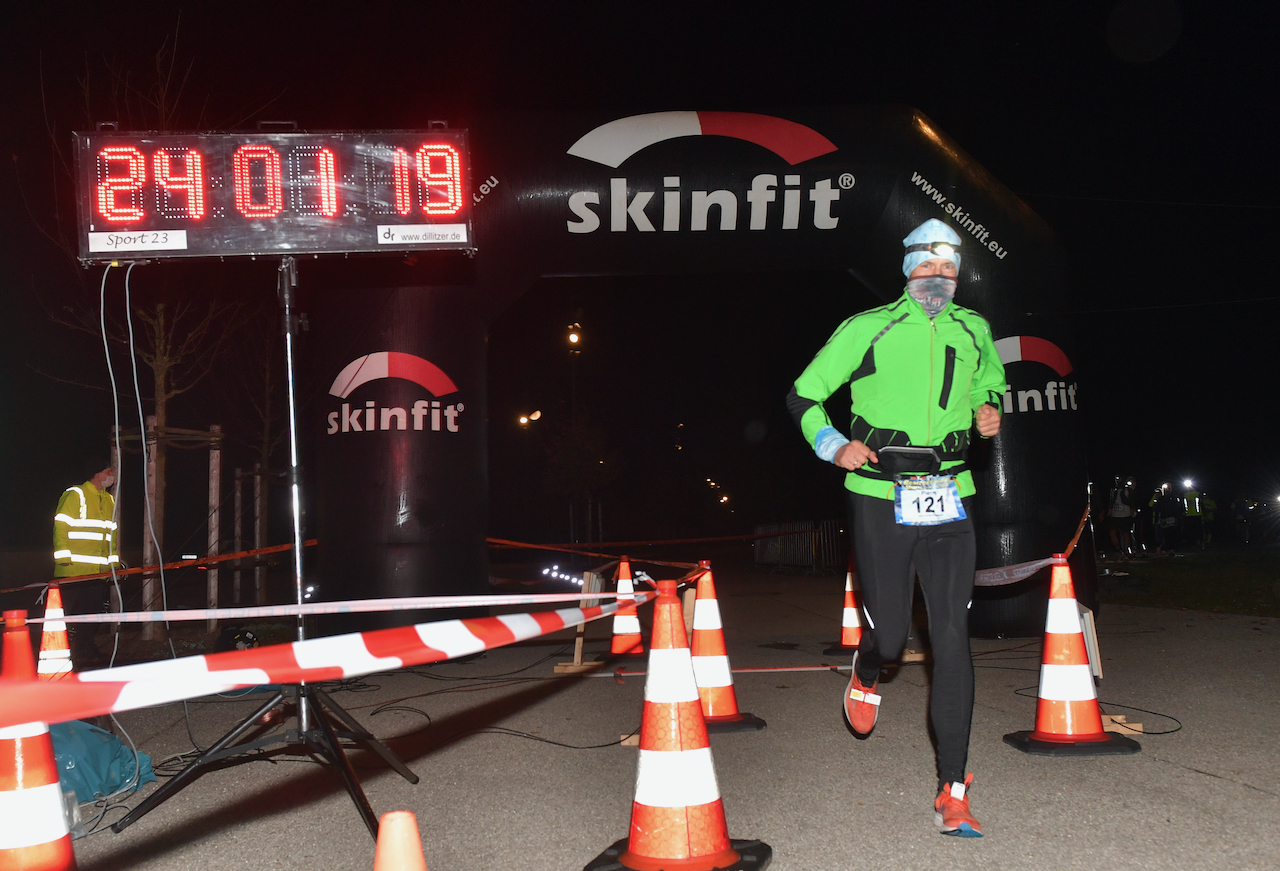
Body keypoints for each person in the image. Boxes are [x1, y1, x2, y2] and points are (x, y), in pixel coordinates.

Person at [787, 217, 1006, 838]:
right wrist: (832, 444)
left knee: (952, 636)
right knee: (889, 642)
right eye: (927, 266)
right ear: (907, 267)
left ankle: (954, 788)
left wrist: (989, 410)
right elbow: (804, 395)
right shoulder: (866, 327)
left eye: (948, 268)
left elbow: (991, 381)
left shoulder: (975, 329)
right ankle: (867, 666)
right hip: (881, 493)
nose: (938, 278)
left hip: (950, 494)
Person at [54, 461, 119, 658]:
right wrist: (63, 557)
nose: (112, 475)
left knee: (92, 613)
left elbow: (111, 536)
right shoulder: (76, 494)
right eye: (109, 471)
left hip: (97, 571)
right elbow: (61, 526)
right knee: (62, 613)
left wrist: (113, 563)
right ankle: (56, 650)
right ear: (97, 473)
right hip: (73, 569)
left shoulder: (109, 500)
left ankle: (84, 649)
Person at [1105, 476, 1137, 559]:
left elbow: (1132, 502)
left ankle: (1127, 550)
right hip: (1115, 515)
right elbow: (1111, 501)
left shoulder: (1128, 490)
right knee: (1113, 533)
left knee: (1125, 533)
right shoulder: (1114, 490)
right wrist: (1109, 513)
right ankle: (1119, 549)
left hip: (1125, 515)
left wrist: (1131, 513)